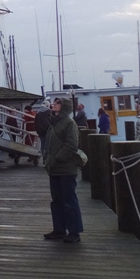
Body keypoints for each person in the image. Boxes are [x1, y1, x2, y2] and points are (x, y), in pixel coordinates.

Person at [43, 97, 84, 244]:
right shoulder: (54, 123)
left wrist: (57, 158)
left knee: (69, 200)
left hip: (66, 168)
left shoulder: (69, 123)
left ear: (64, 106)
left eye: (58, 103)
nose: (54, 104)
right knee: (57, 200)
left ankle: (74, 231)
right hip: (54, 169)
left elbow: (71, 145)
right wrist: (47, 159)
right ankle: (59, 229)